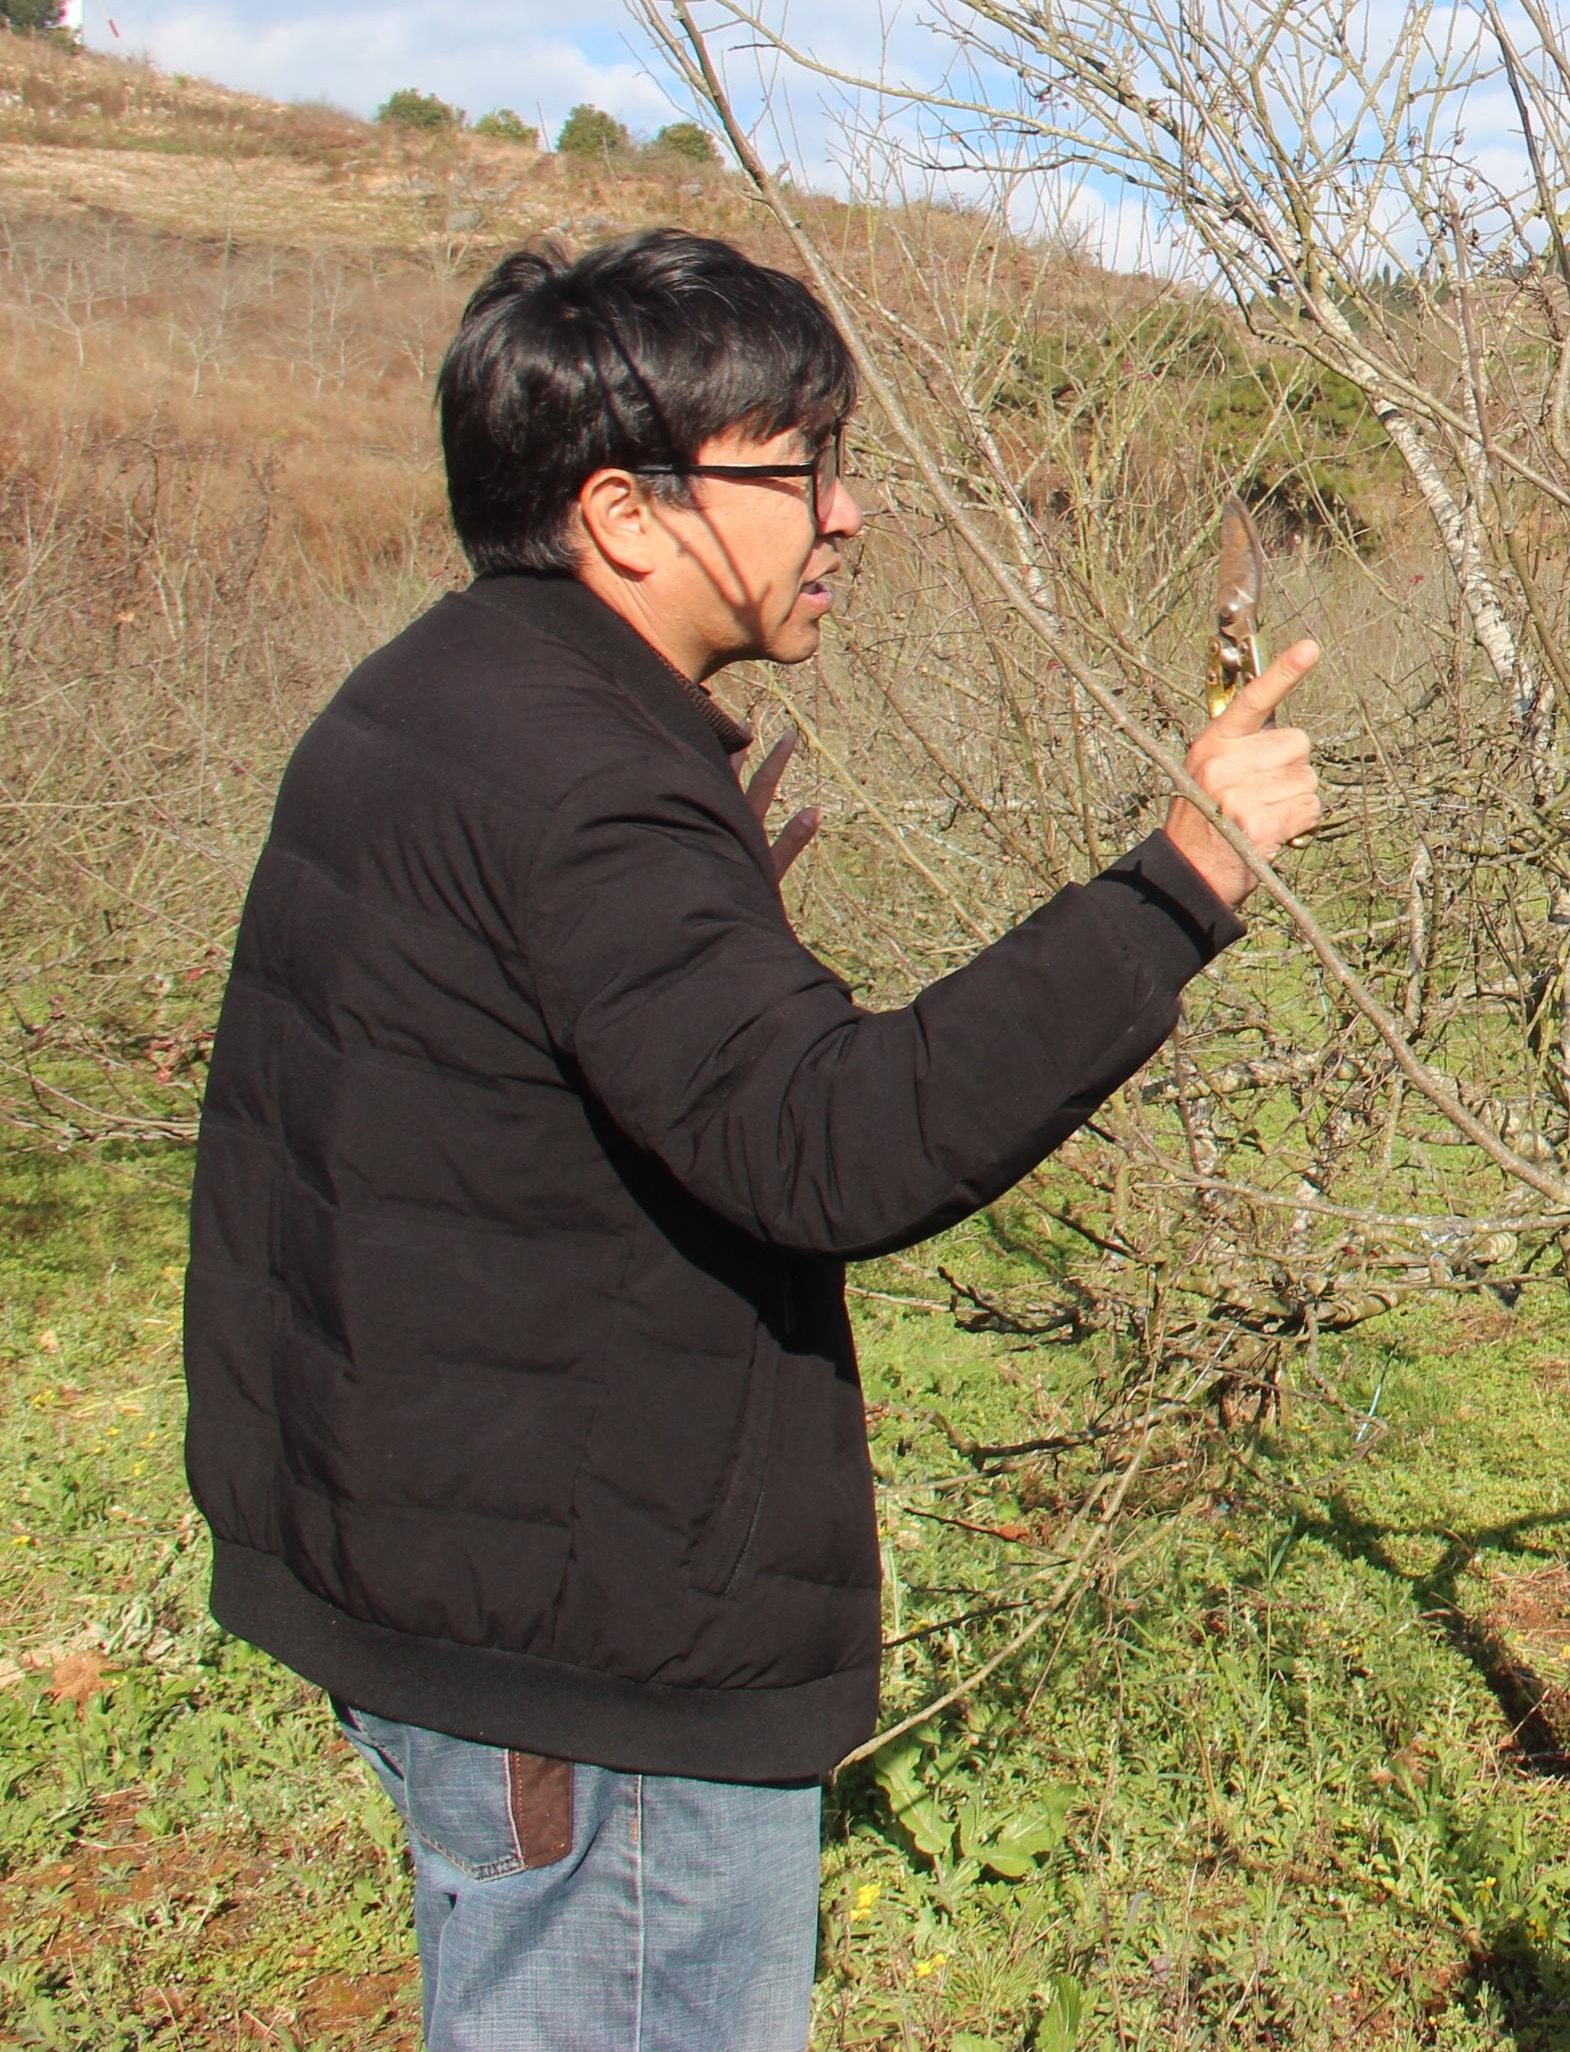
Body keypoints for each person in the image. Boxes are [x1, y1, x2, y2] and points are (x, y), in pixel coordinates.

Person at [182, 233, 1326, 2051]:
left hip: (457, 1574)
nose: (849, 512)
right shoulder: (584, 779)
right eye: (799, 470)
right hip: (592, 1649)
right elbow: (837, 1143)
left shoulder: (448, 698)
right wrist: (1186, 876)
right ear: (626, 510)